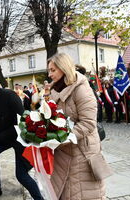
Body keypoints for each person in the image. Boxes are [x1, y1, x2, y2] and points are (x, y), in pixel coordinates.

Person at [48, 53, 105, 199]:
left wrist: (62, 137)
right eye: (49, 70)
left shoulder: (81, 88)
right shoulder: (55, 90)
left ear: (63, 68)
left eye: (53, 70)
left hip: (82, 152)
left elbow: (88, 123)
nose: (49, 74)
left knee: (81, 193)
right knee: (64, 192)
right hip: (63, 150)